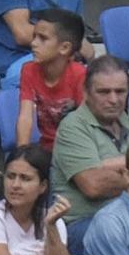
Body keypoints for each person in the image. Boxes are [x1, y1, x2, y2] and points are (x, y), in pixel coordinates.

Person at [49, 58, 129, 236]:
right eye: (104, 92)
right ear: (86, 92)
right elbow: (94, 185)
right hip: (83, 224)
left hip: (128, 217)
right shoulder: (73, 127)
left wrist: (107, 166)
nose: (113, 99)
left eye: (120, 91)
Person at [17, 8, 87, 150]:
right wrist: (21, 155)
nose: (33, 43)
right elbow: (25, 118)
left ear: (64, 48)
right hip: (46, 149)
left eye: (42, 38)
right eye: (34, 36)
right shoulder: (28, 70)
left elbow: (85, 123)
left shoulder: (80, 75)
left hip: (75, 150)